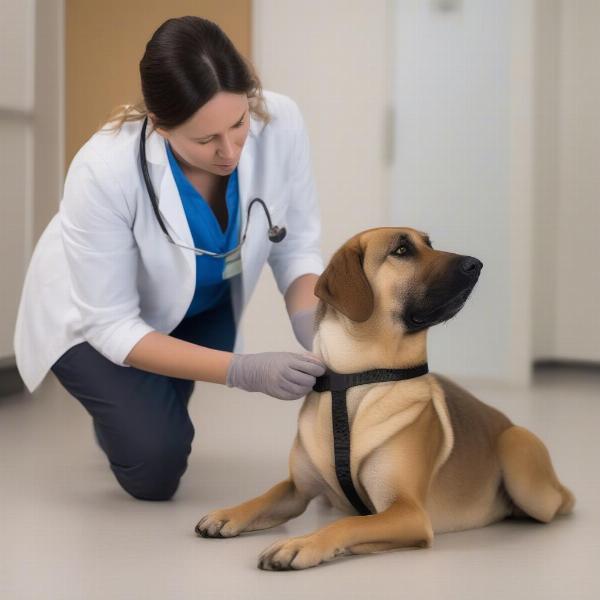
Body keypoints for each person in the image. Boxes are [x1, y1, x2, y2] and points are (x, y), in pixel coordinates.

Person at [13, 16, 327, 501]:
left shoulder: (282, 121)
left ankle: (129, 407)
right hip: (90, 316)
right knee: (156, 466)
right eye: (205, 140)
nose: (229, 152)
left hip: (200, 302)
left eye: (239, 124)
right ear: (159, 125)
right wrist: (244, 370)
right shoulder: (103, 169)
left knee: (154, 416)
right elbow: (112, 324)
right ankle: (120, 407)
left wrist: (316, 325)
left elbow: (296, 245)